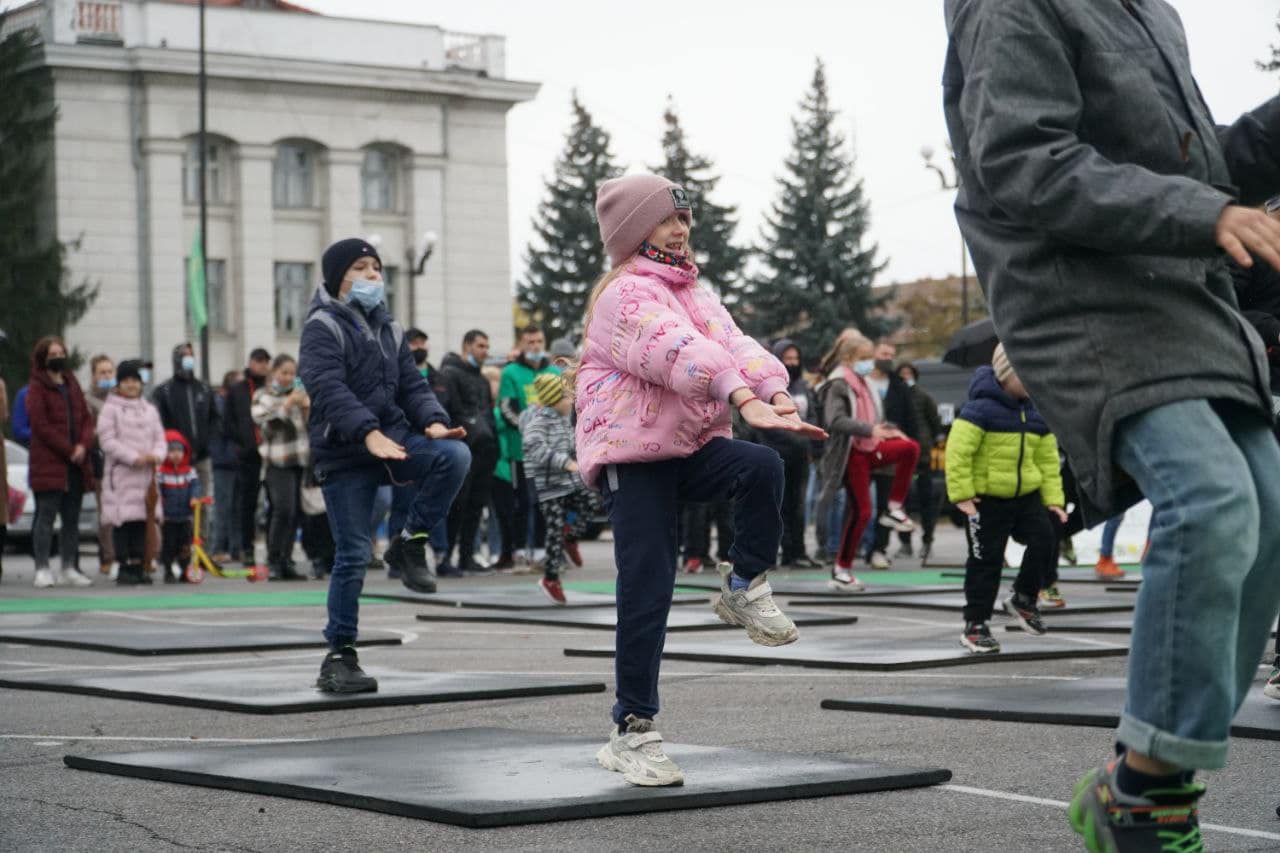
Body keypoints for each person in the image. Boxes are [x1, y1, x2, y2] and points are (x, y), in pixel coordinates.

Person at [944, 2, 1280, 841]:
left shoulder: (1149, 13)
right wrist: (1205, 216)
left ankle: (1155, 776)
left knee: (1269, 507)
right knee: (1210, 499)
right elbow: (1023, 161)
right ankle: (1144, 792)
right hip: (1079, 296)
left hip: (1180, 295)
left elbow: (1206, 166)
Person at [576, 173, 825, 787]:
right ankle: (633, 728)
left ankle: (742, 583)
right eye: (669, 220)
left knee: (764, 463)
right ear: (637, 230)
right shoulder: (624, 297)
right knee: (649, 587)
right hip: (633, 457)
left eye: (686, 220)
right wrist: (740, 395)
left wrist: (774, 393)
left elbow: (734, 343)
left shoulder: (696, 293)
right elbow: (675, 351)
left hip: (687, 447)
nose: (683, 231)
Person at [300, 237, 469, 694]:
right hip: (346, 452)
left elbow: (413, 386)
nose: (374, 275)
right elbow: (326, 387)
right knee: (353, 554)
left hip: (392, 440)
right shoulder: (322, 326)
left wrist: (434, 422)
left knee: (454, 455)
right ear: (339, 278)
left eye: (376, 267)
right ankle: (340, 656)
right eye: (361, 267)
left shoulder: (390, 328)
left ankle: (409, 543)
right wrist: (367, 433)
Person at [946, 346, 1066, 653]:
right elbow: (958, 454)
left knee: (1046, 537)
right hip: (986, 499)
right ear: (1004, 375)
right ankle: (976, 625)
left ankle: (1024, 597)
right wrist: (962, 496)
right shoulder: (979, 410)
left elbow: (1048, 462)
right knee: (986, 560)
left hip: (1025, 496)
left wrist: (1053, 500)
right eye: (1023, 376)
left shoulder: (1037, 412)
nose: (1031, 382)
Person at [813, 332, 919, 592]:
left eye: (871, 358)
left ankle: (894, 508)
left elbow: (873, 419)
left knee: (909, 447)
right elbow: (834, 420)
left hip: (869, 445)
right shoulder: (838, 383)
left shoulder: (864, 381)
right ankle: (841, 569)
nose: (869, 363)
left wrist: (886, 430)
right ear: (849, 359)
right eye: (864, 358)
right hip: (851, 453)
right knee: (862, 511)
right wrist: (870, 431)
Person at [25, 336, 97, 589]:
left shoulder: (71, 383)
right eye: (53, 353)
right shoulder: (37, 387)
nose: (58, 357)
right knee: (46, 518)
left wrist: (83, 446)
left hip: (75, 465)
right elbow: (40, 425)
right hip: (49, 464)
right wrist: (69, 449)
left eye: (61, 352)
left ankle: (69, 566)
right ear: (43, 358)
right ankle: (42, 568)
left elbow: (86, 419)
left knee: (71, 519)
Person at [522, 372, 592, 604]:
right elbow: (534, 447)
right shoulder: (538, 423)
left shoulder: (564, 421)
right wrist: (565, 462)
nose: (570, 401)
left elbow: (573, 445)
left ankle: (570, 536)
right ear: (553, 399)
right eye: (566, 397)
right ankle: (551, 578)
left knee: (590, 501)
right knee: (553, 529)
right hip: (550, 488)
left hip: (569, 484)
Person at [96, 359, 167, 587]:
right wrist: (134, 457)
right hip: (122, 476)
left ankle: (141, 564)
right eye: (126, 380)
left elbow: (160, 439)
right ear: (119, 384)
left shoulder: (150, 410)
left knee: (142, 523)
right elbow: (107, 440)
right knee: (123, 523)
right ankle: (124, 565)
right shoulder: (111, 408)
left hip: (146, 477)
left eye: (135, 380)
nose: (131, 385)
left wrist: (155, 455)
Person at [498, 324, 560, 565]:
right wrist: (530, 431)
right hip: (520, 450)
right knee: (522, 501)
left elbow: (564, 407)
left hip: (549, 451)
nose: (535, 347)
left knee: (547, 499)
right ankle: (520, 548)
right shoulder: (511, 372)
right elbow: (506, 408)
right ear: (522, 344)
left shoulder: (554, 372)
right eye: (530, 342)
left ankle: (542, 549)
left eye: (539, 342)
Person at [439, 330, 499, 574]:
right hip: (463, 449)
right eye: (480, 346)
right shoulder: (449, 374)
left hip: (485, 450)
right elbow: (448, 411)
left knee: (476, 504)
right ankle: (445, 558)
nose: (485, 351)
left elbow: (486, 411)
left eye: (486, 346)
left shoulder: (482, 379)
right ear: (467, 347)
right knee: (457, 505)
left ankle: (466, 556)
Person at [758, 339, 821, 569]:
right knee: (777, 506)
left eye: (796, 359)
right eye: (788, 359)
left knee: (798, 506)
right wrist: (798, 436)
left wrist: (808, 441)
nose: (793, 363)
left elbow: (812, 413)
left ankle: (797, 552)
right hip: (777, 452)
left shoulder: (803, 386)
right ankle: (773, 552)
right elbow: (768, 421)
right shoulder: (768, 387)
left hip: (801, 456)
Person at [252, 353, 310, 581]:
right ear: (273, 373)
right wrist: (287, 404)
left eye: (292, 373)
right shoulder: (263, 396)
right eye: (284, 372)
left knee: (295, 513)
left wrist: (306, 408)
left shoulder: (299, 395)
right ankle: (273, 559)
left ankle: (287, 559)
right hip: (276, 462)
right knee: (282, 509)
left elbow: (308, 427)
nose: (288, 377)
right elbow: (268, 428)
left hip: (299, 460)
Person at [151, 343, 218, 540]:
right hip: (174, 460)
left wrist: (208, 442)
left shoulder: (204, 389)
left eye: (191, 355)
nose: (188, 359)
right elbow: (159, 424)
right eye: (184, 355)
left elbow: (215, 419)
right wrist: (172, 447)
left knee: (201, 503)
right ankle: (174, 549)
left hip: (202, 457)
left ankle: (201, 547)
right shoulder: (164, 391)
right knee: (173, 506)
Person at [865, 341, 918, 570]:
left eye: (891, 355)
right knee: (860, 504)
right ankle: (851, 546)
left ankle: (878, 549)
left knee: (886, 505)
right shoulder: (863, 382)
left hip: (890, 454)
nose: (888, 358)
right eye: (883, 353)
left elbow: (911, 419)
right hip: (864, 449)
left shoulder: (899, 387)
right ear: (874, 354)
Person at [225, 347, 271, 565]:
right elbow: (228, 421)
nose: (262, 365)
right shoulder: (238, 389)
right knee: (248, 505)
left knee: (276, 503)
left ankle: (275, 549)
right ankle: (247, 548)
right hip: (248, 456)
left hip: (272, 454)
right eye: (259, 360)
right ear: (251, 362)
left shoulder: (272, 388)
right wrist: (242, 444)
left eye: (266, 361)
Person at [896, 362, 943, 561]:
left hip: (922, 458)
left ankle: (927, 541)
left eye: (909, 373)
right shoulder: (895, 398)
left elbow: (935, 422)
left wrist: (930, 443)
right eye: (902, 374)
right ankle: (905, 543)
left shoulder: (923, 396)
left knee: (927, 502)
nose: (906, 377)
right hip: (900, 457)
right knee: (900, 503)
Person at [85, 354, 116, 574]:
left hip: (121, 462)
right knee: (105, 512)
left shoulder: (120, 397)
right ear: (94, 376)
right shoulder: (87, 400)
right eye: (102, 372)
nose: (106, 376)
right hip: (99, 461)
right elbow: (88, 433)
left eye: (109, 372)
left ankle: (125, 553)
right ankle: (107, 556)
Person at [156, 430, 201, 583]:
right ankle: (168, 569)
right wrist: (160, 504)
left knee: (185, 545)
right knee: (169, 544)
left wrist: (194, 498)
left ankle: (184, 570)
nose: (176, 454)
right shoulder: (161, 472)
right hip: (169, 517)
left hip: (185, 515)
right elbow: (158, 490)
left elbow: (195, 486)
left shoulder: (189, 471)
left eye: (179, 451)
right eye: (172, 451)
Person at [209, 370, 241, 564]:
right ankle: (219, 547)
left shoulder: (232, 404)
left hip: (236, 461)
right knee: (223, 507)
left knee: (237, 507)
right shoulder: (220, 405)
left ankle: (235, 548)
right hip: (223, 461)